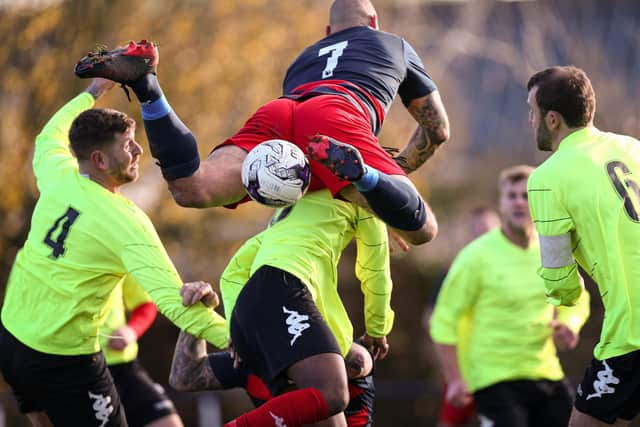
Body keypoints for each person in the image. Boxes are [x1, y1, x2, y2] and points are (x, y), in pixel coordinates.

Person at [73, 0, 450, 245]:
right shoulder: (394, 44)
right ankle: (366, 176)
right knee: (422, 229)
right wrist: (393, 176)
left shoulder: (304, 57)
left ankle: (147, 86)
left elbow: (301, 134)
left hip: (279, 110)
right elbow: (437, 130)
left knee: (193, 187)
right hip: (339, 112)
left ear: (327, 34)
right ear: (374, 21)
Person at [0, 78, 228, 427]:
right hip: (65, 360)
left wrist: (93, 92)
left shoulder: (56, 174)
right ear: (100, 160)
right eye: (128, 145)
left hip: (12, 341)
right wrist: (246, 342)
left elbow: (49, 135)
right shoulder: (125, 222)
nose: (139, 151)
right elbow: (174, 303)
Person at [430, 165, 590, 427]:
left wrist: (569, 324)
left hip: (545, 371)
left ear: (539, 202)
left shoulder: (552, 250)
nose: (518, 202)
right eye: (511, 196)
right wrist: (456, 378)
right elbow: (443, 320)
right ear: (500, 204)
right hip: (493, 378)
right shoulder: (475, 257)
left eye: (526, 196)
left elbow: (578, 297)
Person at [526, 65, 640, 426]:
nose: (531, 120)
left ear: (553, 119)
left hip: (632, 330)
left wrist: (563, 299)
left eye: (532, 112)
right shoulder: (632, 147)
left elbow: (562, 286)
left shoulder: (547, 177)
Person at [424, 206, 500, 427]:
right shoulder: (453, 270)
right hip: (463, 369)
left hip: (502, 367)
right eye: (477, 230)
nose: (482, 236)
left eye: (487, 230)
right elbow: (431, 318)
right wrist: (449, 361)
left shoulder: (516, 266)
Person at [102, 277, 183, 427]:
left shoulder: (113, 254)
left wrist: (132, 330)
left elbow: (145, 304)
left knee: (169, 423)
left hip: (124, 366)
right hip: (81, 368)